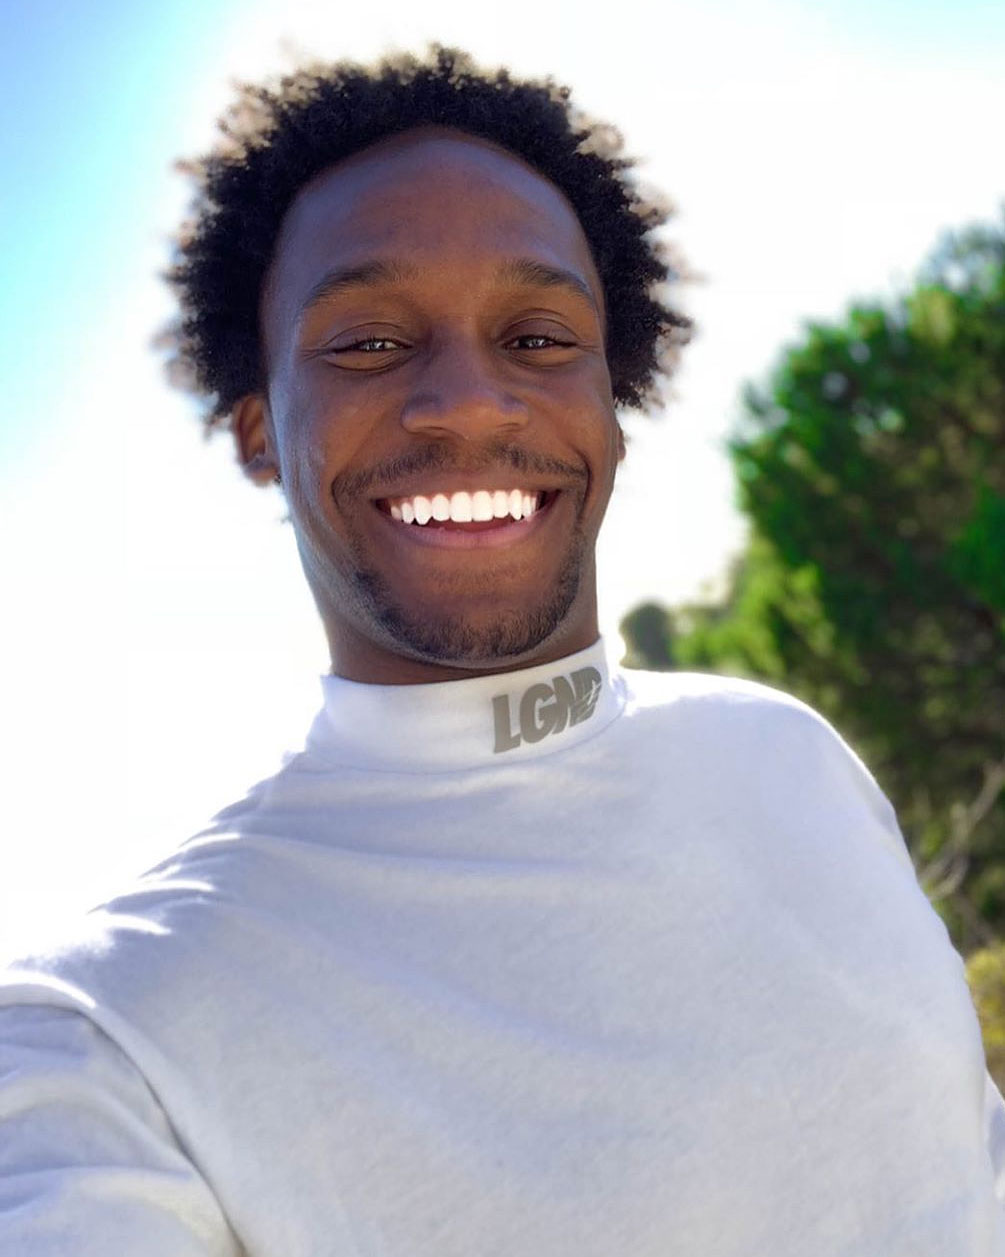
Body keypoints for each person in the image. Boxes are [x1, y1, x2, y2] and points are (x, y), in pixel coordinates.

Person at [1, 46, 1003, 1257]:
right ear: (259, 431)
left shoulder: (792, 756)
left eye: (537, 337)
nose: (471, 401)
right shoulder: (103, 1038)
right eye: (369, 343)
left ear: (614, 398)